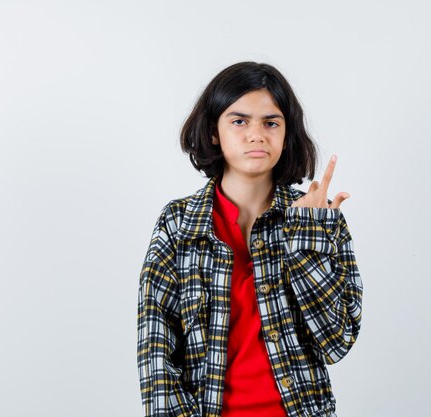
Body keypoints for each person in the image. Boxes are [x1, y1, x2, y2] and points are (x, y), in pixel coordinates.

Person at [136, 61, 364, 417]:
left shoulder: (318, 217)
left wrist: (307, 236)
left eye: (271, 122)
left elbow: (336, 342)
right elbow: (156, 351)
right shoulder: (177, 223)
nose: (256, 135)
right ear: (214, 131)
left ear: (286, 133)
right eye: (239, 121)